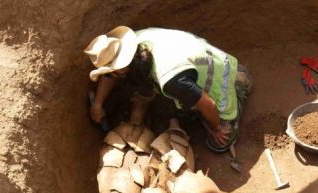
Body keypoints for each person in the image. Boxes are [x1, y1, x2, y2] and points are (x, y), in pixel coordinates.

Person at [84, 26, 252, 152]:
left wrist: (216, 129)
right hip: (201, 58)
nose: (108, 76)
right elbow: (111, 75)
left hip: (217, 78)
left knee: (219, 143)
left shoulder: (171, 80)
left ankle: (238, 84)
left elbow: (208, 104)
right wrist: (97, 104)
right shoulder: (137, 40)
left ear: (121, 69)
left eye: (110, 73)